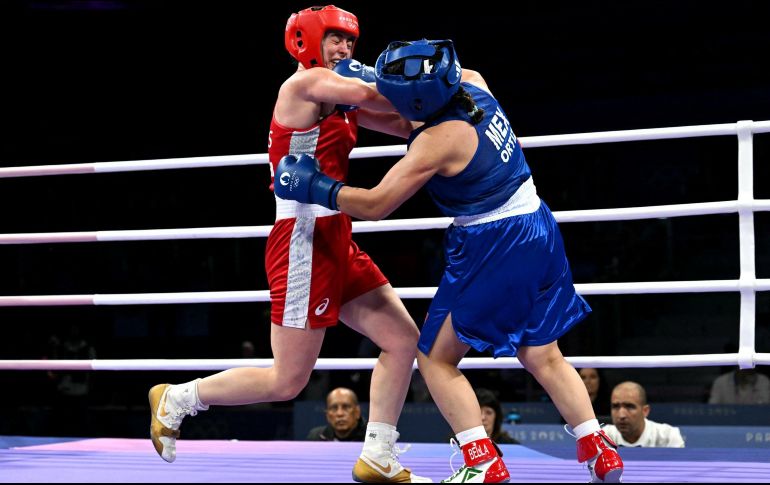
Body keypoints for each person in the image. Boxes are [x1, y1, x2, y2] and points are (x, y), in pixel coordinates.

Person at [274, 38, 624, 483]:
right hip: (538, 225)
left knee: (435, 359)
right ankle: (598, 448)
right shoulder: (474, 84)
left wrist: (317, 187)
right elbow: (406, 117)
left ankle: (482, 461)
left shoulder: (438, 142)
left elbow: (376, 203)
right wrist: (360, 97)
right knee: (542, 352)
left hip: (494, 243)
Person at [148, 7, 430, 483]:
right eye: (335, 40)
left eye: (349, 43)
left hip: (336, 234)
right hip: (303, 241)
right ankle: (179, 397)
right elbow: (369, 90)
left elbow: (403, 124)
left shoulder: (338, 94)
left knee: (403, 340)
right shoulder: (301, 86)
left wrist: (445, 118)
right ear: (308, 41)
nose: (344, 50)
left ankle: (379, 454)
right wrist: (436, 78)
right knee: (288, 380)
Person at [603, 381, 685, 447]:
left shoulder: (668, 437)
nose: (621, 415)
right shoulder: (603, 437)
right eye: (615, 406)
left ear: (645, 411)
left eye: (629, 407)